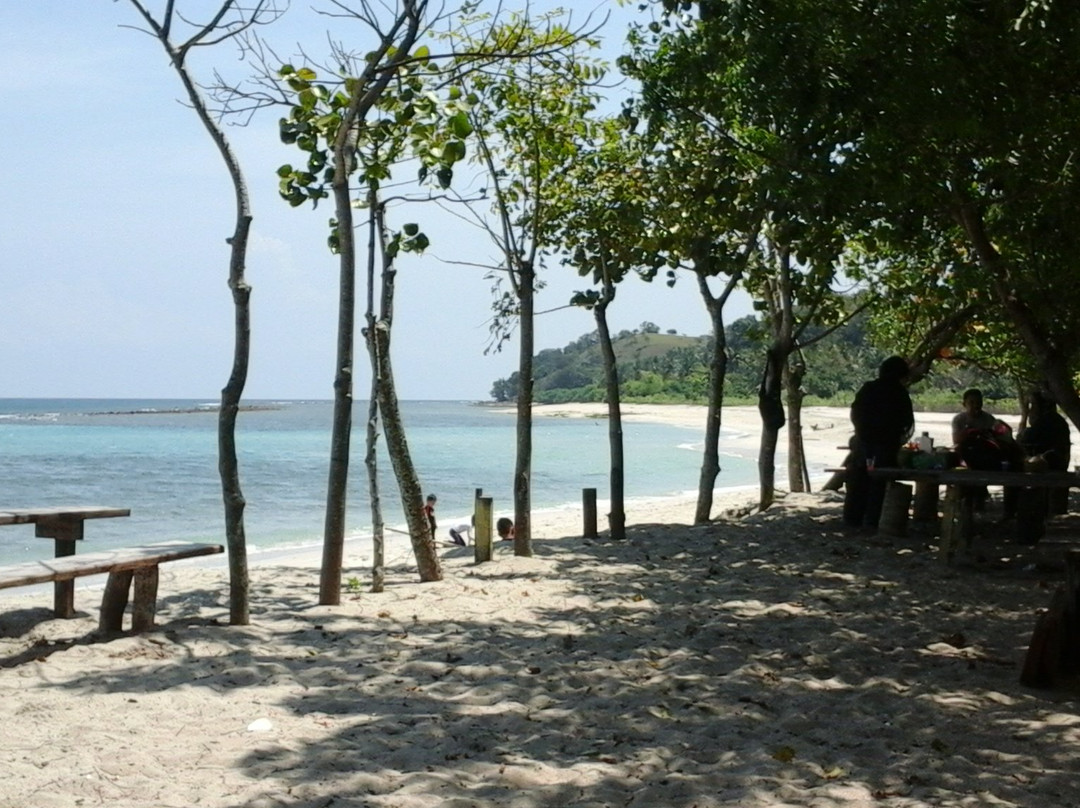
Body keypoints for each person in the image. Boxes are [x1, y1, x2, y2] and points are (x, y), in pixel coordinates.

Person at [845, 355, 915, 528]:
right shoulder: (899, 393)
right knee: (880, 482)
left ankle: (853, 519)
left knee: (859, 480)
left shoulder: (868, 389)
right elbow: (906, 422)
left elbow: (855, 414)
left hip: (864, 443)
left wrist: (862, 433)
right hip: (886, 445)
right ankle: (873, 520)